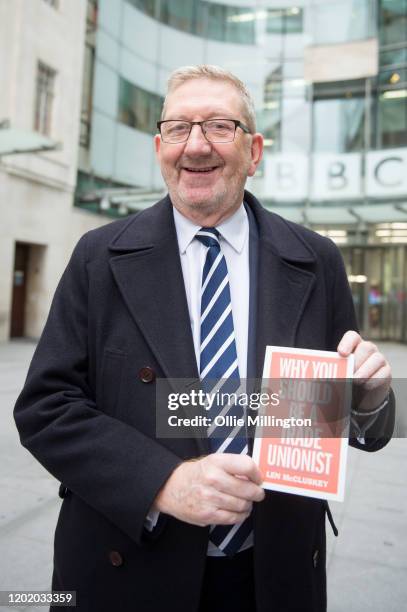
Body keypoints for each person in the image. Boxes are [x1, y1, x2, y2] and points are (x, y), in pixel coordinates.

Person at [14, 65, 394, 612]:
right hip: (131, 566)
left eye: (219, 126)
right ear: (159, 146)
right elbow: (46, 407)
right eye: (178, 128)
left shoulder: (315, 260)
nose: (195, 146)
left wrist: (371, 398)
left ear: (254, 150)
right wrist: (162, 482)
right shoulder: (99, 257)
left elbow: (344, 420)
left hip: (273, 576)